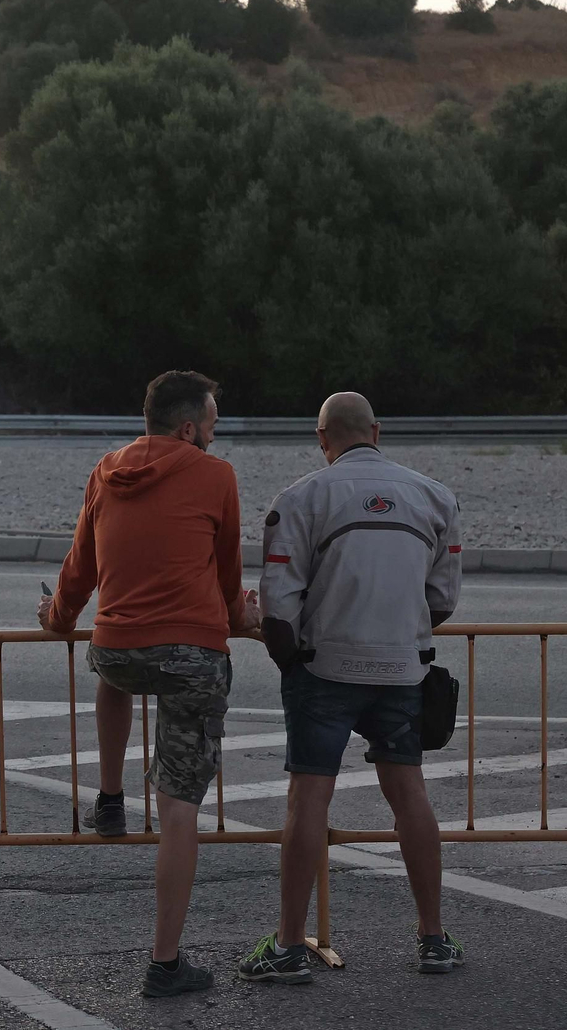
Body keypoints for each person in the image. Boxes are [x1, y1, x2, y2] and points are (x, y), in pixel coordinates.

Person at [38, 370, 258, 997]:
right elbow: (227, 569)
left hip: (116, 650)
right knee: (179, 809)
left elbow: (81, 564)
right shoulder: (216, 476)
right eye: (211, 425)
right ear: (188, 428)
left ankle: (110, 798)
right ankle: (165, 964)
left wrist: (58, 619)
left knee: (114, 672)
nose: (214, 435)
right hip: (191, 654)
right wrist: (241, 618)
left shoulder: (106, 470)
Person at [239, 392, 465, 983]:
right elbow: (443, 598)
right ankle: (434, 939)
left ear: (322, 438)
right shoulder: (436, 497)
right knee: (409, 794)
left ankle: (289, 946)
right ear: (377, 431)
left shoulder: (300, 498)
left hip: (324, 668)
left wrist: (292, 662)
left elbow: (279, 603)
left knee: (308, 800)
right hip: (404, 669)